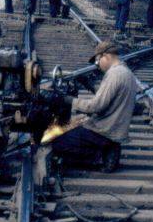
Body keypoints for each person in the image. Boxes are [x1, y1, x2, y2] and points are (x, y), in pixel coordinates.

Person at [46, 41, 139, 173]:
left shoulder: (114, 74)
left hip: (103, 131)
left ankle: (99, 156)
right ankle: (108, 149)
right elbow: (111, 98)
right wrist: (89, 85)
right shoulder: (127, 73)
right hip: (115, 130)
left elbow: (96, 106)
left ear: (105, 55)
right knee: (74, 128)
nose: (98, 66)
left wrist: (69, 100)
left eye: (97, 61)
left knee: (56, 142)